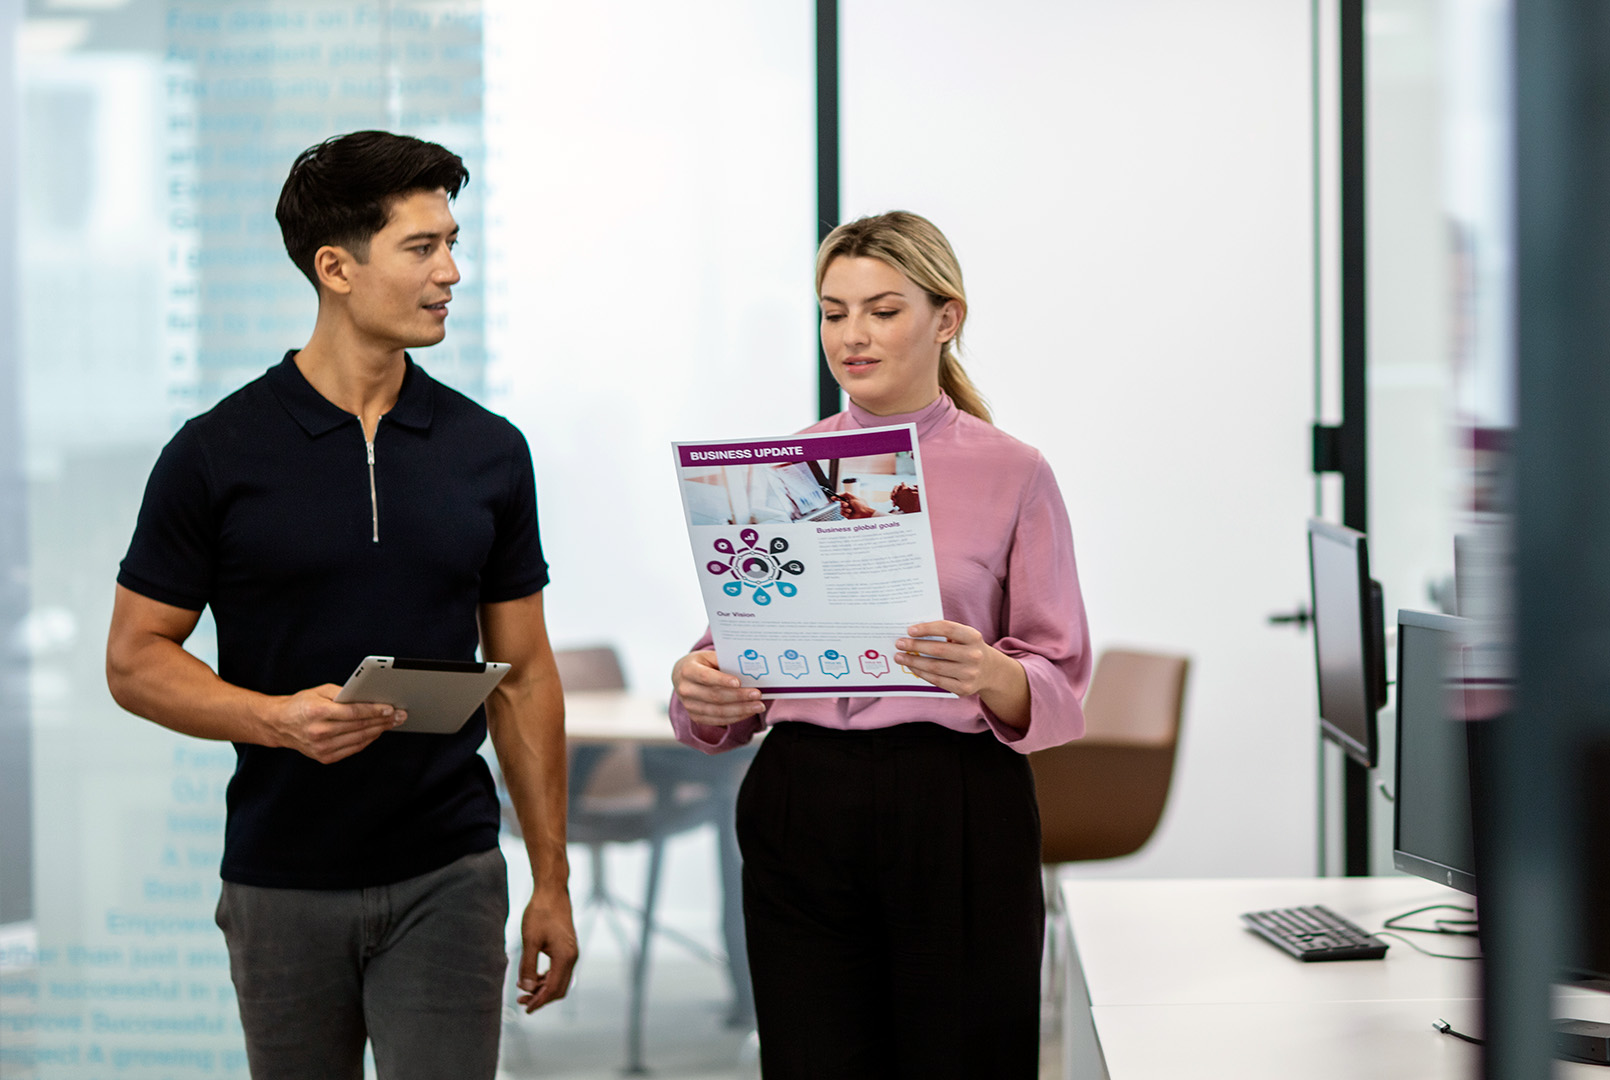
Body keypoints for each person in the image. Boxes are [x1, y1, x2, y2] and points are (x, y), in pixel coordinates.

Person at [103, 131, 576, 1079]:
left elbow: (522, 677)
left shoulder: (489, 452)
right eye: (422, 246)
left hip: (450, 870)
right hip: (280, 882)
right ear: (336, 268)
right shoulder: (214, 453)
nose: (452, 270)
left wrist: (552, 882)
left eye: (452, 240)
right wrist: (274, 719)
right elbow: (135, 659)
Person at [669, 210, 1091, 1078]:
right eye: (833, 311)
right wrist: (697, 689)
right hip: (800, 798)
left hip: (956, 805)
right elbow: (725, 666)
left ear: (947, 317)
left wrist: (990, 671)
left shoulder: (1015, 471)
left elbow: (1059, 680)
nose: (851, 335)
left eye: (881, 309)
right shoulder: (779, 470)